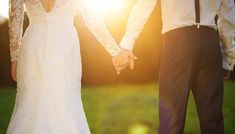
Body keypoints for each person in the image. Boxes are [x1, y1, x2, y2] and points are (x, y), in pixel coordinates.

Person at [8, 0, 136, 133]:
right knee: (65, 102)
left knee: (31, 103)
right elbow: (91, 17)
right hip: (63, 44)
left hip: (34, 44)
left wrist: (15, 56)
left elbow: (15, 17)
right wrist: (115, 51)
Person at [112, 0, 235, 134]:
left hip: (177, 43)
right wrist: (228, 57)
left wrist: (127, 44)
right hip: (209, 42)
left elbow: (145, 4)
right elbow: (228, 12)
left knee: (171, 119)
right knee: (213, 121)